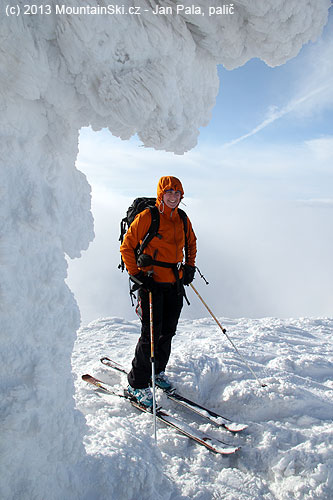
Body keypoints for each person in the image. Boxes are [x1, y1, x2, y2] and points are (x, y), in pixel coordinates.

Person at [120, 176, 197, 407]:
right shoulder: (148, 217)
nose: (173, 197)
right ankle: (136, 385)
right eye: (169, 192)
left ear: (181, 196)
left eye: (177, 193)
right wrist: (138, 276)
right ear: (160, 194)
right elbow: (127, 246)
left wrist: (190, 266)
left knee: (167, 331)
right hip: (150, 283)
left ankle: (157, 372)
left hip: (173, 282)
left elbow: (191, 243)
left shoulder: (182, 218)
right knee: (150, 336)